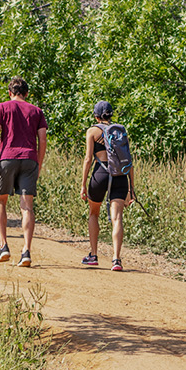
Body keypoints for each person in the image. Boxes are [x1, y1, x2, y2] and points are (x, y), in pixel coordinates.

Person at [0, 77, 47, 266]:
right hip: (29, 158)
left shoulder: (2, 107)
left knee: (0, 200)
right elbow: (42, 139)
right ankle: (26, 250)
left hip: (7, 158)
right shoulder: (37, 111)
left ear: (9, 92)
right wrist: (39, 163)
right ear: (26, 93)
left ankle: (4, 245)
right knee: (27, 206)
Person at [82, 101, 136, 270]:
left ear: (95, 115)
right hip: (120, 176)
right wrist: (131, 188)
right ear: (111, 114)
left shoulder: (92, 131)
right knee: (117, 217)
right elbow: (129, 160)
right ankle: (116, 259)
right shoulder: (120, 131)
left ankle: (93, 254)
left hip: (101, 174)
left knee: (93, 213)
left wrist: (83, 184)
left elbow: (88, 159)